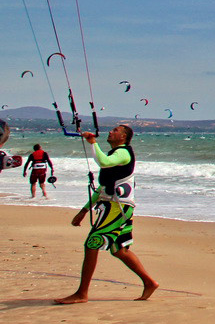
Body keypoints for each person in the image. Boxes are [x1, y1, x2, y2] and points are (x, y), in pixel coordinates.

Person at [56, 124, 159, 303]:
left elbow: (102, 162)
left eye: (115, 131)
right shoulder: (114, 155)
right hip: (116, 206)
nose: (111, 132)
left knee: (92, 243)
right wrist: (83, 210)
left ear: (123, 137)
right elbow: (103, 189)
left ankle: (82, 293)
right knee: (119, 250)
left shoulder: (123, 153)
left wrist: (92, 142)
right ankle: (149, 282)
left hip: (117, 207)